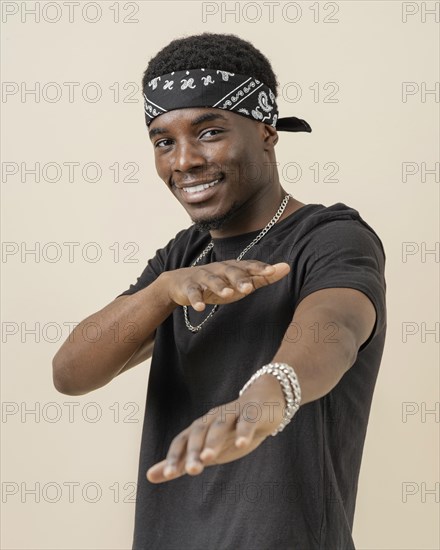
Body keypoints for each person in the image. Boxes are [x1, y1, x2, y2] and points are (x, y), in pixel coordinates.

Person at [52, 33, 387, 550]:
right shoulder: (182, 258)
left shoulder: (330, 236)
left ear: (267, 131)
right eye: (164, 141)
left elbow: (337, 328)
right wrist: (163, 290)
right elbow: (71, 373)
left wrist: (271, 393)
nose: (183, 161)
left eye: (209, 132)